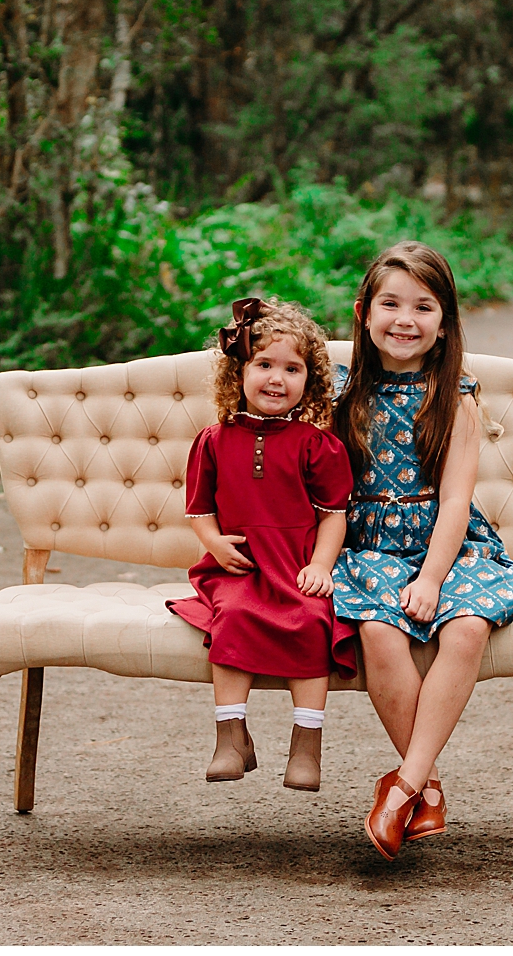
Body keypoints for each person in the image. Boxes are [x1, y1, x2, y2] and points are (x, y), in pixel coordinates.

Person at [330, 241, 513, 859]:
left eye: (423, 307)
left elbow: (454, 503)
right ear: (365, 313)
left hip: (448, 546)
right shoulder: (340, 395)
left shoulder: (457, 399)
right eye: (390, 303)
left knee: (467, 628)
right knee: (378, 631)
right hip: (369, 548)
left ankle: (404, 788)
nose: (405, 320)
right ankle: (429, 787)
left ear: (444, 325)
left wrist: (432, 579)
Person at [169, 297, 353, 792]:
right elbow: (198, 508)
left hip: (295, 565)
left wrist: (321, 565)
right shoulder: (213, 439)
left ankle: (306, 745)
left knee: (314, 620)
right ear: (240, 373)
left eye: (292, 368)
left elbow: (334, 515)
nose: (277, 378)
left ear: (308, 383)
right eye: (264, 364)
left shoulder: (316, 444)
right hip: (240, 568)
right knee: (232, 616)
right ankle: (230, 736)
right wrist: (213, 542)